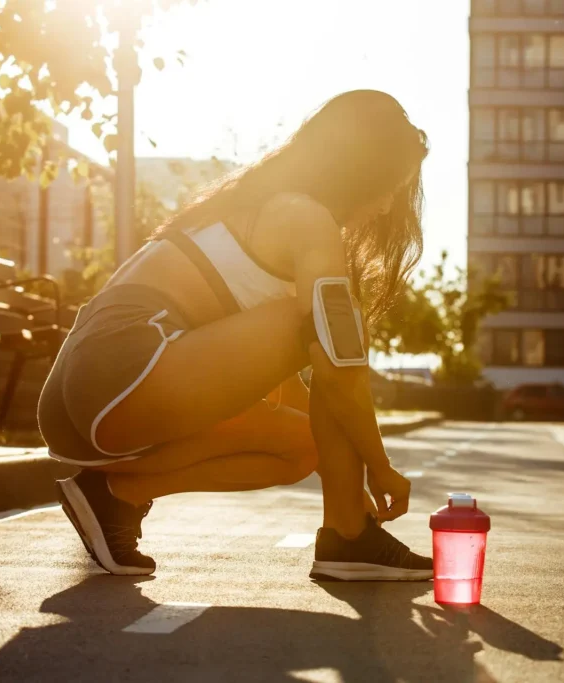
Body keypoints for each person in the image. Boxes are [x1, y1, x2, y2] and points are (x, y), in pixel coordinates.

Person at [38, 90, 433, 580]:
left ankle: (117, 494)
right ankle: (349, 537)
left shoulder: (250, 208)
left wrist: (346, 463)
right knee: (334, 325)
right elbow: (338, 364)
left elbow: (297, 388)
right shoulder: (305, 218)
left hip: (77, 403)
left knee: (301, 445)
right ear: (362, 172)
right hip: (121, 371)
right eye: (391, 185)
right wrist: (380, 465)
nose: (389, 203)